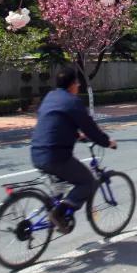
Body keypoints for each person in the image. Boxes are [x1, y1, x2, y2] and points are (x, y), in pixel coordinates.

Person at [30, 66, 116, 234]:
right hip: (56, 157)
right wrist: (108, 142)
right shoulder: (73, 102)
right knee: (88, 182)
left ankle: (55, 208)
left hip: (36, 152)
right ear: (73, 84)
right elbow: (91, 129)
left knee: (61, 185)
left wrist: (77, 136)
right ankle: (58, 213)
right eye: (77, 83)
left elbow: (56, 122)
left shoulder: (50, 96)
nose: (78, 86)